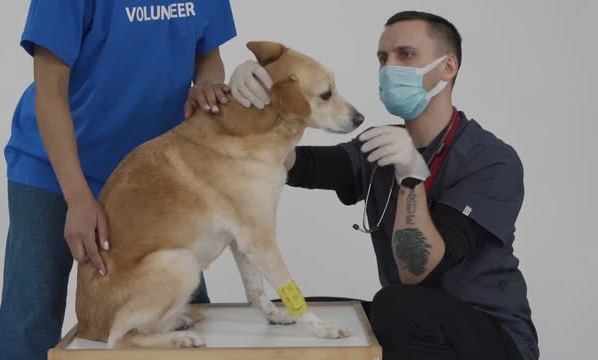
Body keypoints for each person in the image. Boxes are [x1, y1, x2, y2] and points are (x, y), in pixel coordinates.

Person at [229, 10, 539, 360]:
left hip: (491, 338)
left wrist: (410, 177)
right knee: (287, 314)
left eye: (405, 55)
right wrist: (259, 98)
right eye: (382, 58)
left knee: (398, 305)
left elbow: (417, 271)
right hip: (412, 324)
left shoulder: (490, 160)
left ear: (448, 67)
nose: (389, 68)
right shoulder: (381, 143)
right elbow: (301, 164)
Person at [0, 1, 237, 359]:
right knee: (30, 319)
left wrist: (207, 86)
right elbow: (50, 88)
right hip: (53, 169)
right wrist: (76, 197)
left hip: (150, 176)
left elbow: (207, 56)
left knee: (180, 316)